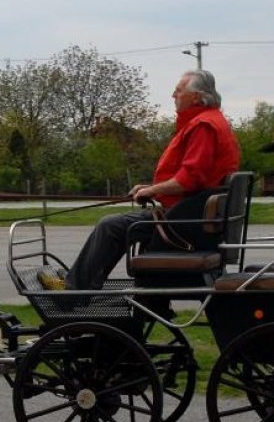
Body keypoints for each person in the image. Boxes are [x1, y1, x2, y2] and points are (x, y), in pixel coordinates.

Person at [40, 69, 241, 291]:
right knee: (115, 225)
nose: (173, 95)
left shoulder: (203, 126)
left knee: (110, 226)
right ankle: (83, 283)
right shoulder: (212, 121)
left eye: (178, 91)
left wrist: (153, 190)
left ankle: (73, 290)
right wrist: (151, 188)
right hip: (192, 216)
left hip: (184, 223)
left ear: (196, 96)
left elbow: (189, 180)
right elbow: (193, 178)